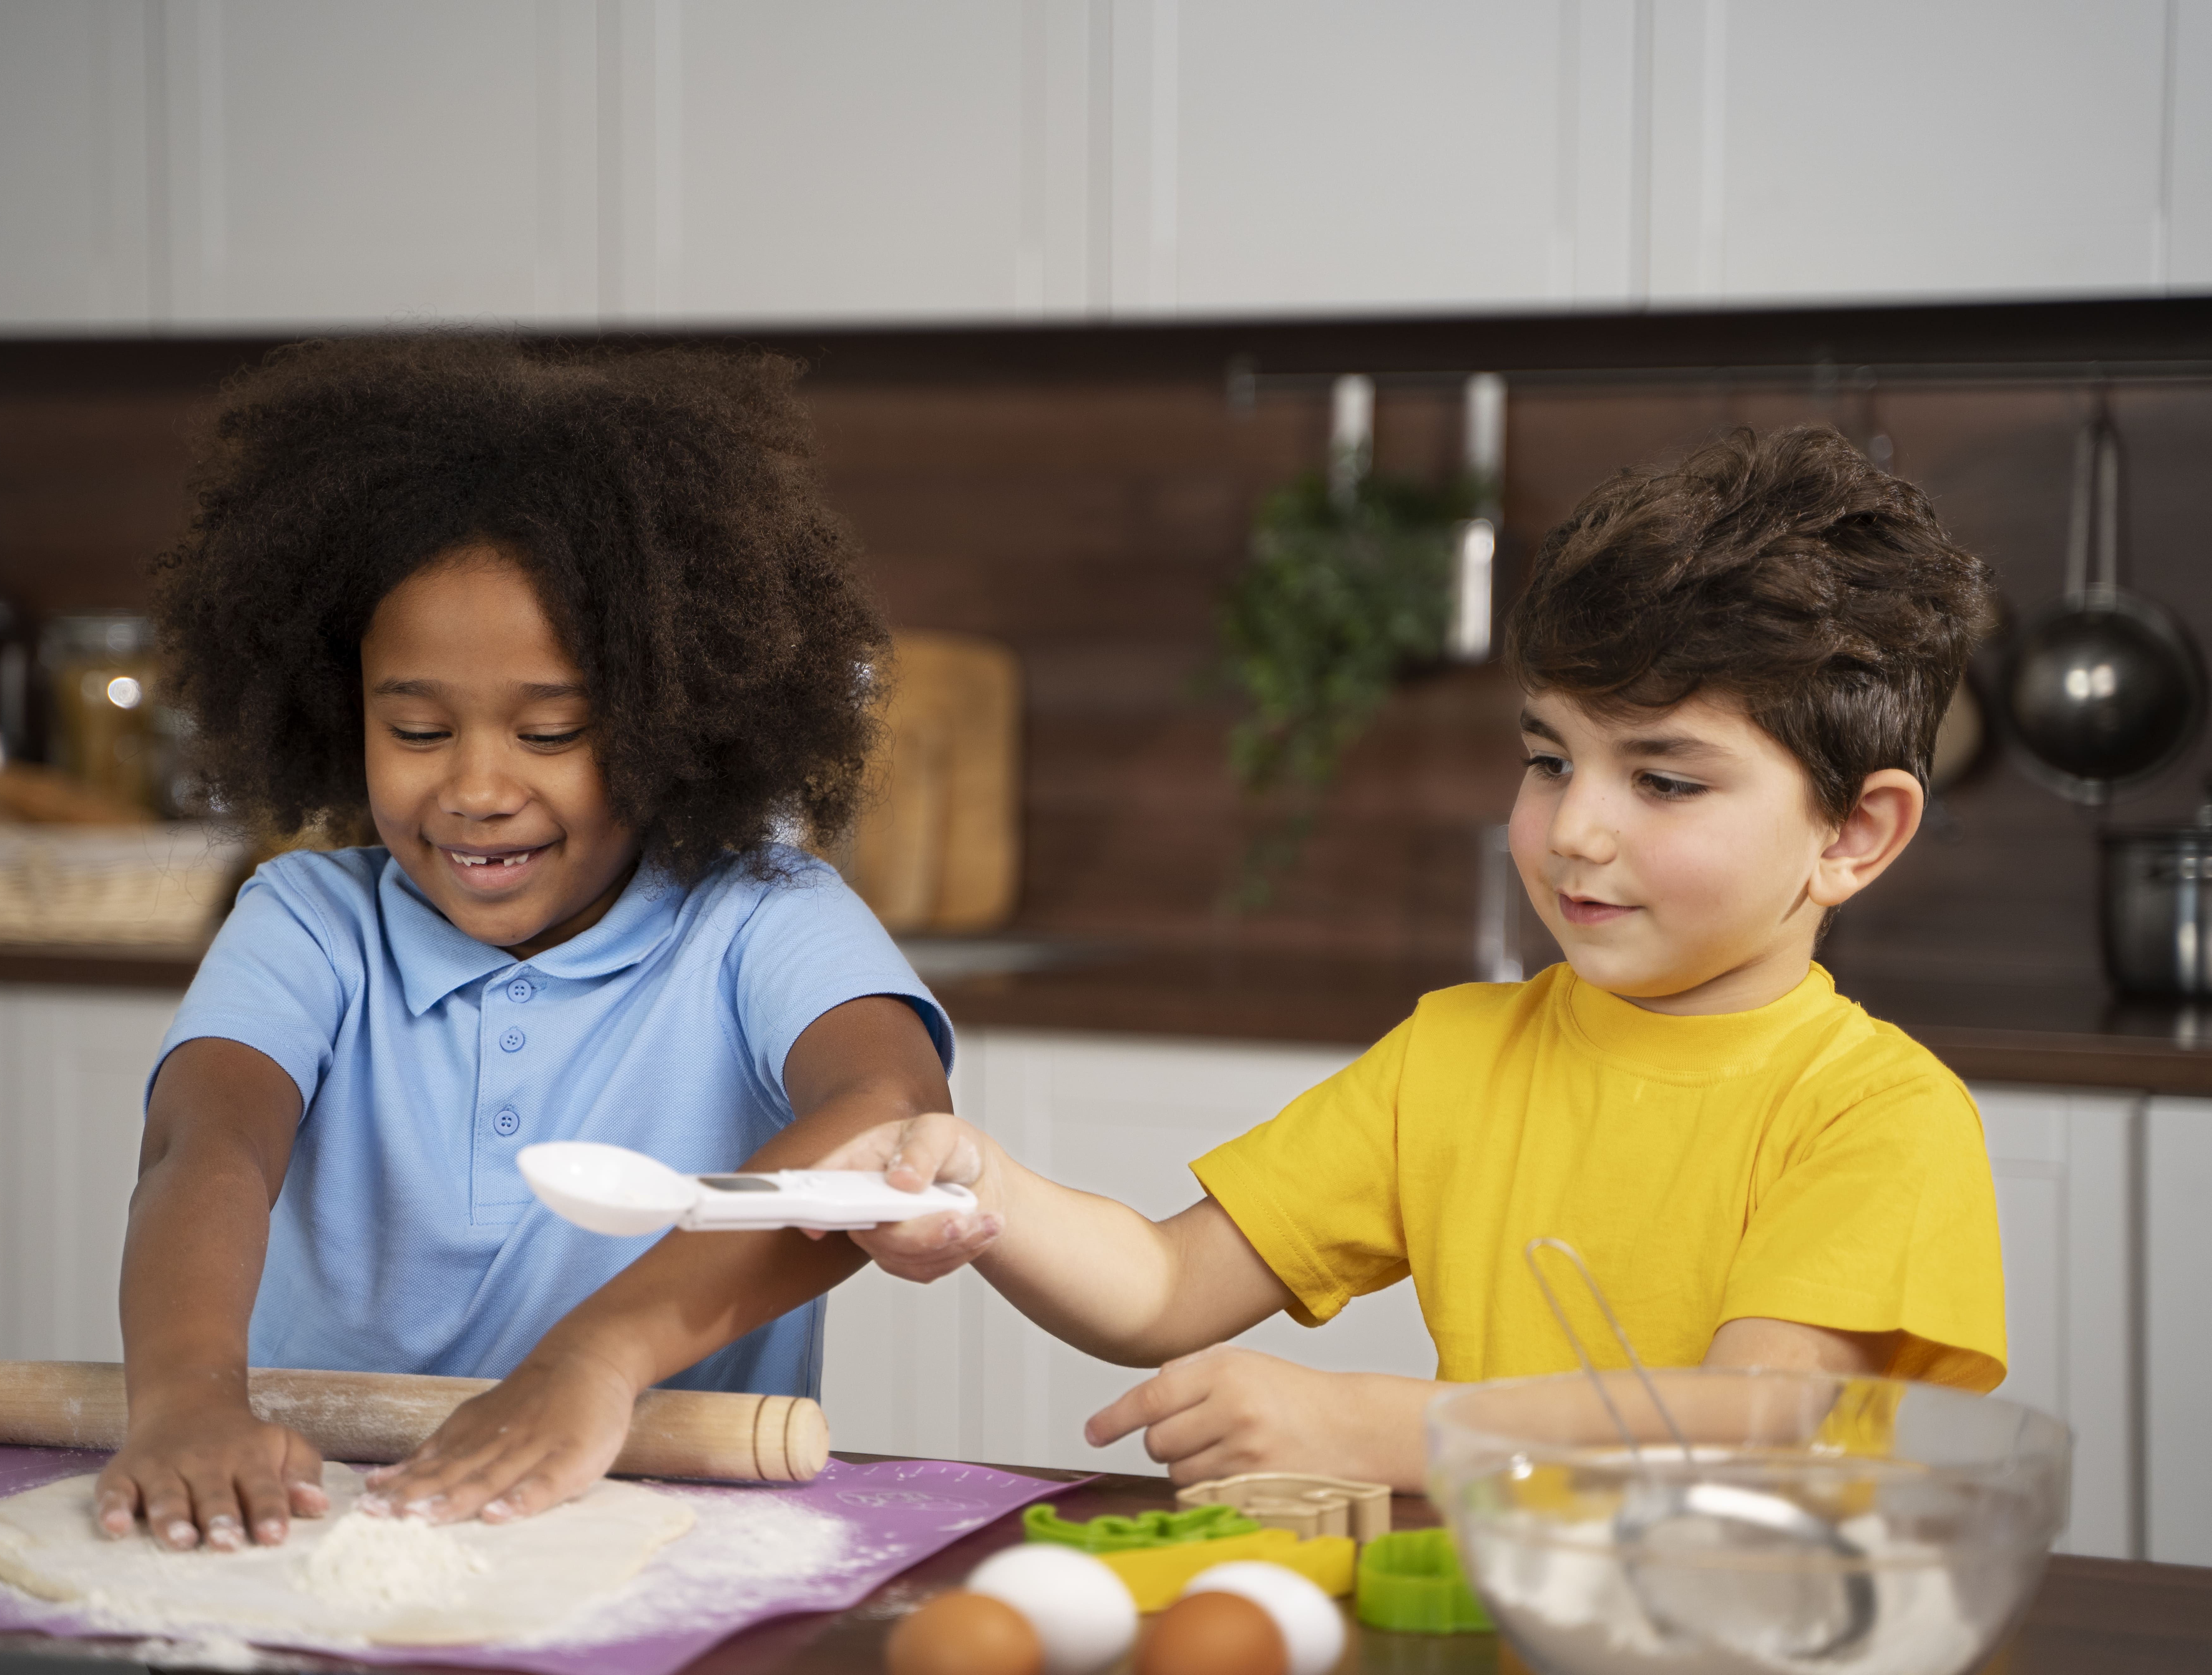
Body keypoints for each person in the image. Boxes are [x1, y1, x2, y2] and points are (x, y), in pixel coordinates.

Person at [823, 425, 2009, 1489]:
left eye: (1663, 780)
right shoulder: (1456, 1058)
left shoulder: (1879, 1115)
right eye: (1551, 760)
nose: (1574, 829)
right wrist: (980, 1189)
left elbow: (1754, 1429)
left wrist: (1384, 1432)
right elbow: (1163, 1288)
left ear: (1855, 835)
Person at [94, 339, 975, 1550]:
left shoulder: (765, 921)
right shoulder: (309, 923)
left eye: (551, 732)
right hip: (326, 1533)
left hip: (662, 1538)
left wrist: (597, 1360)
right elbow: (207, 1151)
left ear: (678, 721)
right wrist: (188, 1404)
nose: (475, 788)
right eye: (416, 726)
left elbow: (886, 1123)